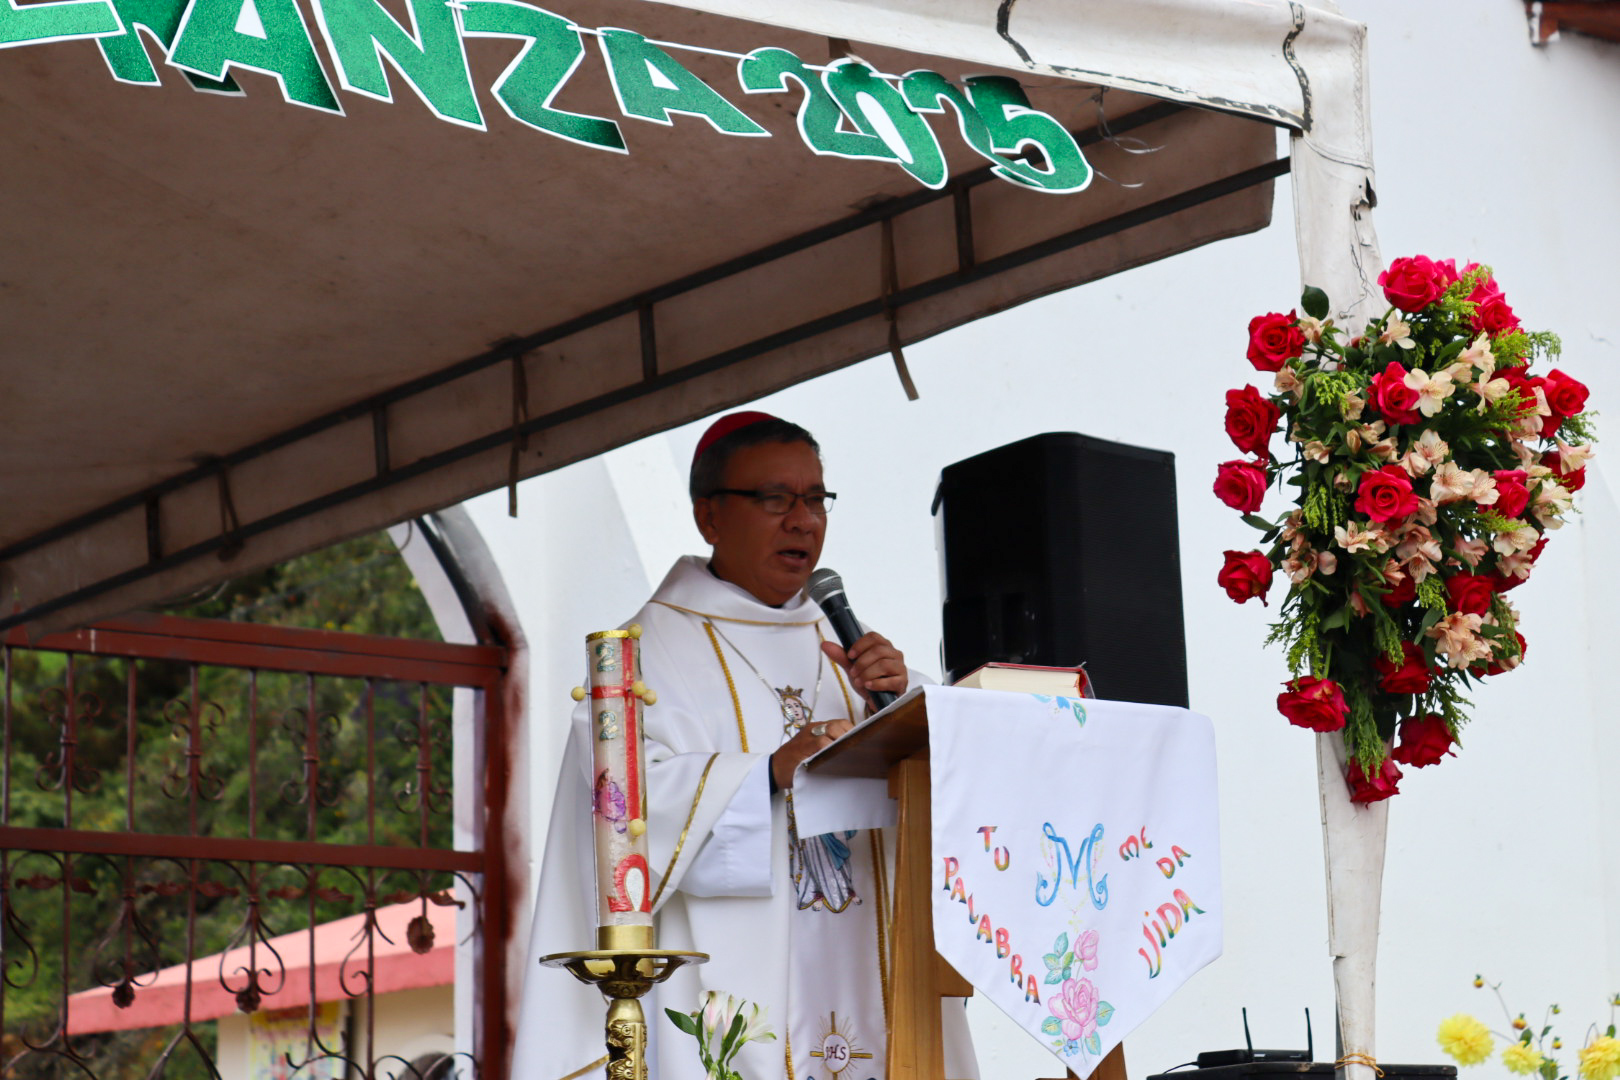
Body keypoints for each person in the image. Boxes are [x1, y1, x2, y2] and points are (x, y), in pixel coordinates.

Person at [512, 412, 973, 1080]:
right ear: (710, 517)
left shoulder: (853, 646)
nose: (803, 520)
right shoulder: (648, 651)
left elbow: (943, 769)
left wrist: (902, 698)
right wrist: (766, 774)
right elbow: (620, 815)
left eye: (816, 498)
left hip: (869, 965)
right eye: (775, 498)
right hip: (742, 979)